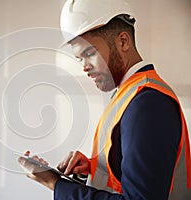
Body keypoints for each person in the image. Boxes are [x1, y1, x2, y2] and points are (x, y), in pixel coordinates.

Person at [18, 0, 191, 199]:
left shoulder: (147, 103)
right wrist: (92, 169)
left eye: (89, 53)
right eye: (79, 58)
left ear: (123, 42)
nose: (84, 67)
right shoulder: (128, 93)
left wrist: (55, 184)